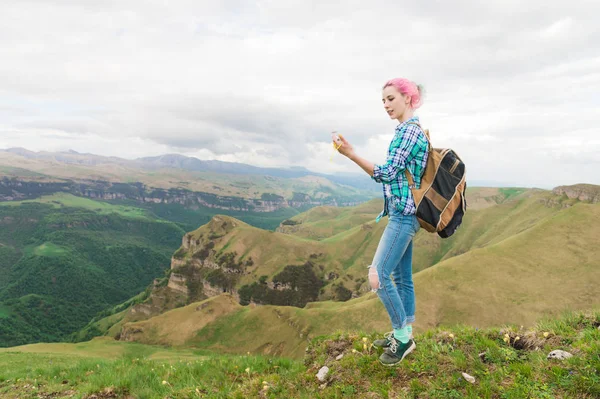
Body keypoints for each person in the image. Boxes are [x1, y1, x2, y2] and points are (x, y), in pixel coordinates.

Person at [334, 78, 429, 366]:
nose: (386, 105)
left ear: (408, 98)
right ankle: (404, 332)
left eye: (391, 99)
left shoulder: (409, 132)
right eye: (383, 101)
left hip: (404, 216)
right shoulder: (406, 131)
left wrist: (351, 154)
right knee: (401, 278)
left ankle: (403, 339)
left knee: (377, 276)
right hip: (404, 213)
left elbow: (386, 173)